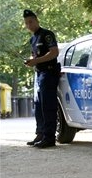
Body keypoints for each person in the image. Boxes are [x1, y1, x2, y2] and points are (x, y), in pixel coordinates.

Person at [23, 9, 60, 148]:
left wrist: (36, 61)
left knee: (48, 106)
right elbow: (36, 57)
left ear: (37, 20)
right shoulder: (33, 39)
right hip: (39, 74)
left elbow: (54, 52)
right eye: (26, 23)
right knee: (38, 106)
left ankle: (49, 138)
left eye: (31, 21)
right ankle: (41, 133)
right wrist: (31, 61)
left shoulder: (47, 34)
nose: (29, 25)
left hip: (49, 73)